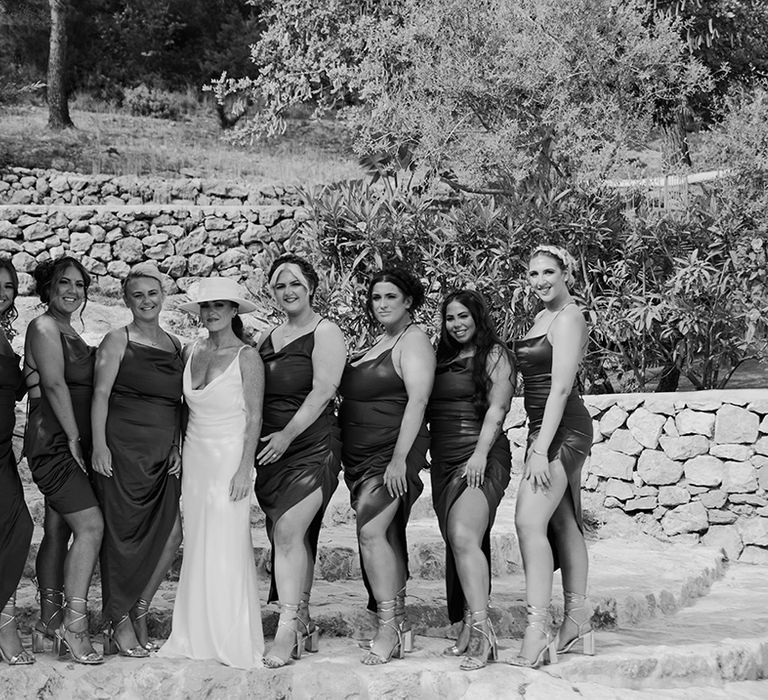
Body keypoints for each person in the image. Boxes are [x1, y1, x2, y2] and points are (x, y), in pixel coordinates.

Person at [159, 277, 265, 669]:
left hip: (229, 457)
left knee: (227, 541)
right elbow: (182, 408)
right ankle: (195, 633)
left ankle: (229, 635)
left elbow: (254, 416)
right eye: (206, 306)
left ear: (234, 310)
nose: (212, 312)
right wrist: (177, 447)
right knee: (199, 538)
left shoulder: (248, 358)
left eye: (221, 305)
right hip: (196, 456)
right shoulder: (192, 350)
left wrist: (245, 468)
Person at [339, 267, 434, 665]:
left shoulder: (414, 341)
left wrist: (398, 459)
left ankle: (389, 625)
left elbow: (417, 401)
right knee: (386, 535)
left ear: (408, 300)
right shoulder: (380, 341)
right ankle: (399, 622)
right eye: (376, 297)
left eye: (390, 297)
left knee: (372, 532)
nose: (382, 304)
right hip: (360, 457)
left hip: (393, 452)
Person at [506, 244, 594, 668]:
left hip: (563, 430)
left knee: (527, 521)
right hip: (542, 428)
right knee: (563, 519)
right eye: (533, 273)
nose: (540, 280)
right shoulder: (542, 317)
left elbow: (560, 388)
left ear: (566, 274)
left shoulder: (570, 317)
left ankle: (537, 630)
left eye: (548, 272)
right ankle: (578, 620)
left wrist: (540, 449)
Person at [255, 254, 345, 668]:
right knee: (292, 536)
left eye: (294, 283)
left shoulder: (325, 331)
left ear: (311, 286)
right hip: (270, 456)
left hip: (311, 447)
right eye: (279, 285)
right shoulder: (267, 336)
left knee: (289, 532)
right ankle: (303, 621)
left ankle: (287, 630)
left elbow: (324, 389)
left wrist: (287, 436)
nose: (287, 291)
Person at [91, 263, 183, 657]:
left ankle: (138, 607)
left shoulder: (177, 345)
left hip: (163, 454)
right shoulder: (117, 339)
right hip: (122, 450)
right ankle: (118, 621)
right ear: (126, 301)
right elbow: (100, 395)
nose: (146, 301)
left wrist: (177, 445)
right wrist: (98, 446)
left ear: (163, 296)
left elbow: (181, 402)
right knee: (121, 538)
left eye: (152, 293)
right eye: (137, 295)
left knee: (172, 533)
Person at [24, 257, 104, 665]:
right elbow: (53, 383)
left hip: (74, 438)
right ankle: (75, 625)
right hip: (55, 440)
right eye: (63, 283)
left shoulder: (68, 329)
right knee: (90, 526)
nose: (72, 290)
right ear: (48, 289)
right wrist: (75, 438)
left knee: (58, 526)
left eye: (79, 284)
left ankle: (46, 623)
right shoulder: (43, 326)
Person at [428, 290, 513, 671]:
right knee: (460, 543)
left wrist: (479, 454)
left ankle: (483, 632)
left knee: (463, 536)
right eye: (450, 318)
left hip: (483, 455)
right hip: (445, 463)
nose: (457, 324)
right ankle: (466, 625)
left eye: (463, 316)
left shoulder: (494, 353)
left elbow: (498, 408)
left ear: (478, 317)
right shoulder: (441, 358)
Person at [0, 259, 34, 665]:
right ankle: (6, 623)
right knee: (18, 525)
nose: (3, 292)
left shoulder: (6, 336)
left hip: (2, 450)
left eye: (9, 286)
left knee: (17, 526)